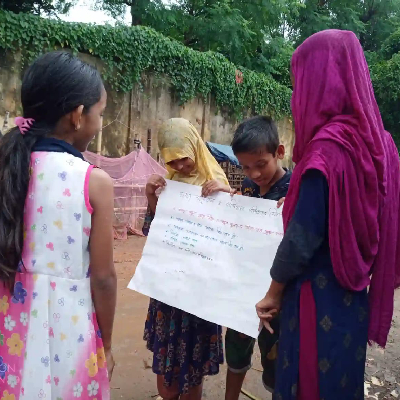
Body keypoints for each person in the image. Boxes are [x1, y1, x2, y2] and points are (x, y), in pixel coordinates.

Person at [256, 30, 400, 400]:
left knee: (309, 386)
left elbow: (301, 239)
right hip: (353, 299)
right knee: (341, 381)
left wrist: (272, 294)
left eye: (299, 82)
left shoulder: (325, 153)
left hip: (313, 300)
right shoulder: (381, 145)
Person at [0, 52, 117, 400]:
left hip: (8, 324)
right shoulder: (93, 182)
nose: (100, 123)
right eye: (101, 114)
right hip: (69, 332)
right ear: (78, 116)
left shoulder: (7, 165)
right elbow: (103, 277)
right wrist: (106, 344)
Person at [143, 117, 232, 400]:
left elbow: (233, 239)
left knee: (194, 362)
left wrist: (227, 195)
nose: (180, 167)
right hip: (167, 293)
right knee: (166, 359)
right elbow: (152, 232)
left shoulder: (215, 181)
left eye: (183, 158)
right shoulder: (168, 185)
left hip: (199, 294)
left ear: (195, 146)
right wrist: (151, 196)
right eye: (172, 161)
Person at [225, 115, 291, 400]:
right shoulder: (248, 189)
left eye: (260, 164)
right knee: (236, 350)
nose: (254, 174)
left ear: (279, 152)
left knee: (275, 357)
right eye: (246, 167)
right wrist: (224, 198)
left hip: (277, 296)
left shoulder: (296, 190)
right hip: (244, 289)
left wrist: (294, 209)